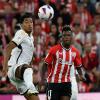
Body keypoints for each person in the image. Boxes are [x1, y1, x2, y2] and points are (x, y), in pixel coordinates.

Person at [3, 13, 40, 100]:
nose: (30, 24)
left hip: (20, 78)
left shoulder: (31, 38)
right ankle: (31, 85)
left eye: (31, 22)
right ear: (21, 25)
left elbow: (27, 55)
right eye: (26, 22)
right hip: (14, 69)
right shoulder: (21, 33)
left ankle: (30, 84)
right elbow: (8, 48)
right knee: (28, 69)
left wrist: (31, 61)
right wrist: (4, 67)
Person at [44, 25, 85, 100]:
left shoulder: (75, 52)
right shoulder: (53, 50)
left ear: (71, 37)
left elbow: (78, 66)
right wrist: (42, 78)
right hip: (53, 83)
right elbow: (45, 64)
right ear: (61, 37)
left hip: (66, 84)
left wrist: (81, 75)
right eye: (64, 35)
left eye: (68, 35)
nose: (66, 37)